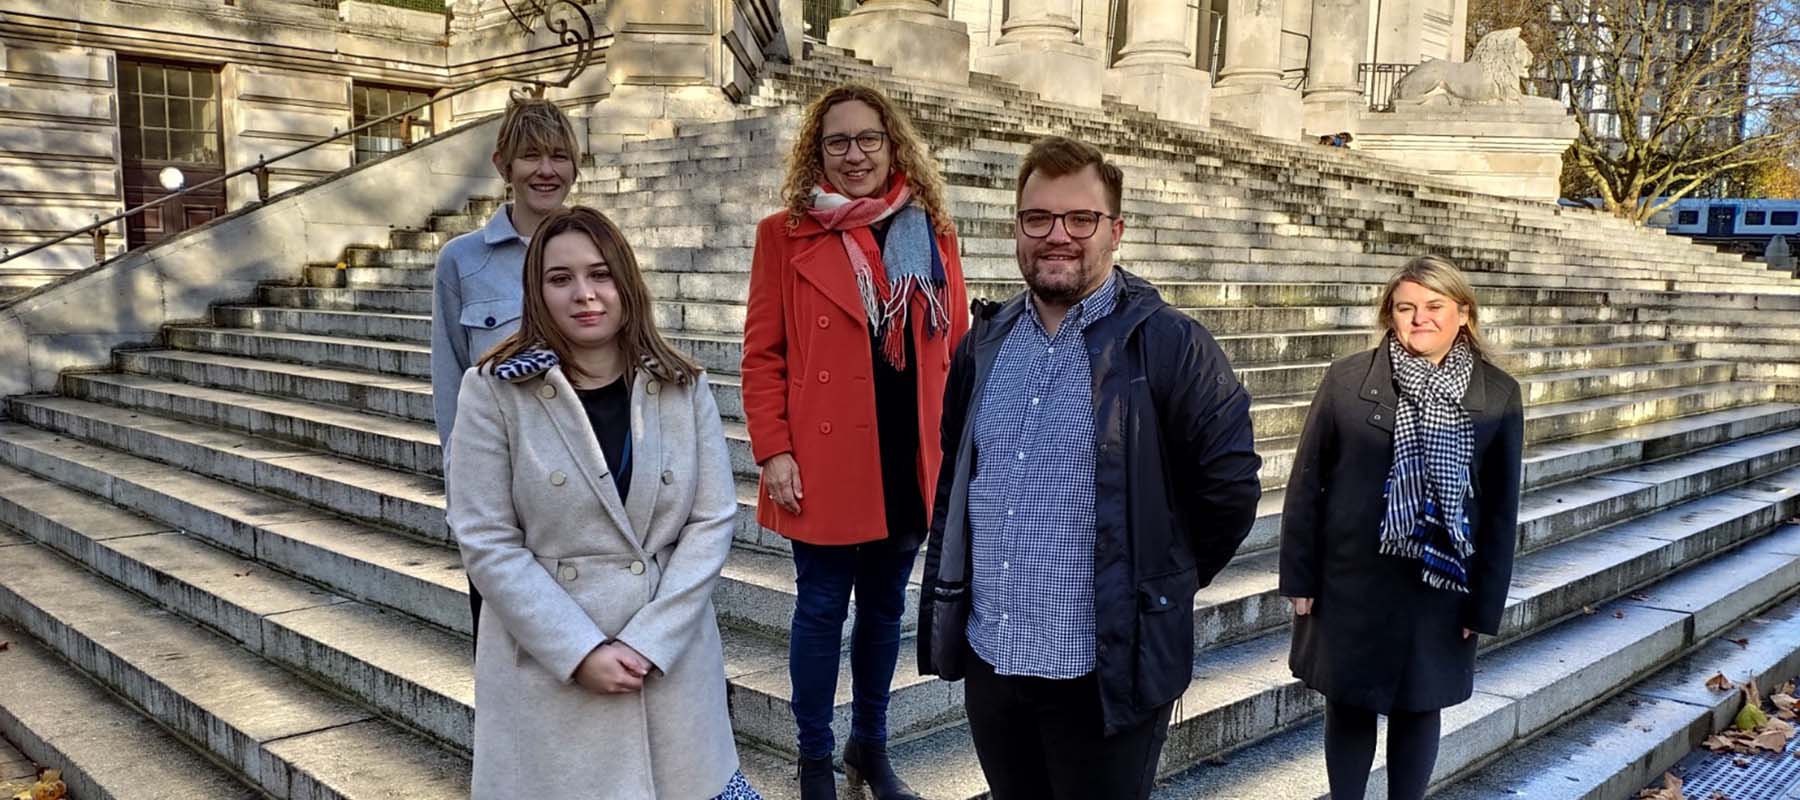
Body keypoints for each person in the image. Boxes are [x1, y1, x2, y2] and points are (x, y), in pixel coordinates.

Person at [918, 135, 1263, 800]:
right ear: (1016, 228)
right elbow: (960, 475)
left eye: (1081, 219)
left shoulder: (1168, 345)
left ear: (1116, 231)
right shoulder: (983, 344)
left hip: (1103, 673)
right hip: (995, 663)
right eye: (1038, 218)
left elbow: (1229, 492)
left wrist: (1153, 588)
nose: (1058, 236)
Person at [446, 206, 759, 800]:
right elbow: (486, 539)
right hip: (551, 674)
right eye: (560, 279)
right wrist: (579, 650)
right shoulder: (493, 390)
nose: (585, 295)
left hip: (667, 665)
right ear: (536, 292)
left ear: (626, 282)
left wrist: (648, 640)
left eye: (600, 273)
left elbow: (711, 519)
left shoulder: (680, 383)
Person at [741, 81, 968, 800]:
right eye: (837, 141)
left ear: (892, 143)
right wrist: (774, 449)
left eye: (869, 138)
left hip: (908, 455)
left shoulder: (930, 229)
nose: (855, 154)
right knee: (818, 610)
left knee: (884, 614)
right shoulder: (785, 233)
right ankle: (814, 759)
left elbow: (956, 344)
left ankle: (870, 747)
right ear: (818, 151)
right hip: (827, 458)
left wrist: (956, 449)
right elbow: (763, 353)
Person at [1278, 255, 1524, 800]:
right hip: (1351, 580)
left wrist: (1483, 606)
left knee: (1419, 706)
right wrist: (1300, 578)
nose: (1419, 319)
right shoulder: (1348, 380)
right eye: (1405, 307)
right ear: (1389, 314)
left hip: (1440, 586)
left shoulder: (1497, 394)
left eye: (1434, 307)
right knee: (1348, 703)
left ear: (1463, 314)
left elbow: (1502, 510)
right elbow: (1306, 484)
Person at [431, 94, 579, 639]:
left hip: (587, 490)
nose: (546, 170)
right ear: (503, 166)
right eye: (531, 156)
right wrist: (463, 493)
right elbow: (451, 382)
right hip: (504, 489)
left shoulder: (599, 249)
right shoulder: (462, 260)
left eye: (560, 156)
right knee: (506, 651)